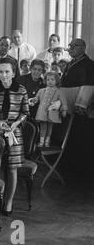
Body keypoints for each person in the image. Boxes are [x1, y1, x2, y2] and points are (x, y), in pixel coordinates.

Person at [0, 58, 29, 215]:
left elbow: (25, 112)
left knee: (11, 169)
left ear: (13, 73)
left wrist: (16, 123)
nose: (4, 75)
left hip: (14, 134)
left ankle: (8, 202)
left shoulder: (21, 89)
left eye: (7, 72)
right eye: (1, 72)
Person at [60, 39, 94, 173]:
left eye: (74, 46)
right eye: (70, 46)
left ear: (83, 48)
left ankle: (81, 167)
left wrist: (82, 104)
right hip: (68, 105)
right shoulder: (70, 64)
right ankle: (69, 165)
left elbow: (90, 86)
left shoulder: (89, 64)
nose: (71, 48)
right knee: (69, 136)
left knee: (81, 136)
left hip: (81, 108)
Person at [29, 71, 68, 147]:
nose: (50, 81)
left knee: (50, 128)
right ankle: (41, 142)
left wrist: (64, 110)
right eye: (48, 80)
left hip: (52, 113)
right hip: (42, 112)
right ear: (45, 81)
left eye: (52, 79)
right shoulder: (41, 91)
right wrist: (34, 100)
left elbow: (64, 102)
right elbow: (37, 98)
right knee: (43, 127)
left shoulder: (59, 91)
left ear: (56, 81)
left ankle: (47, 142)